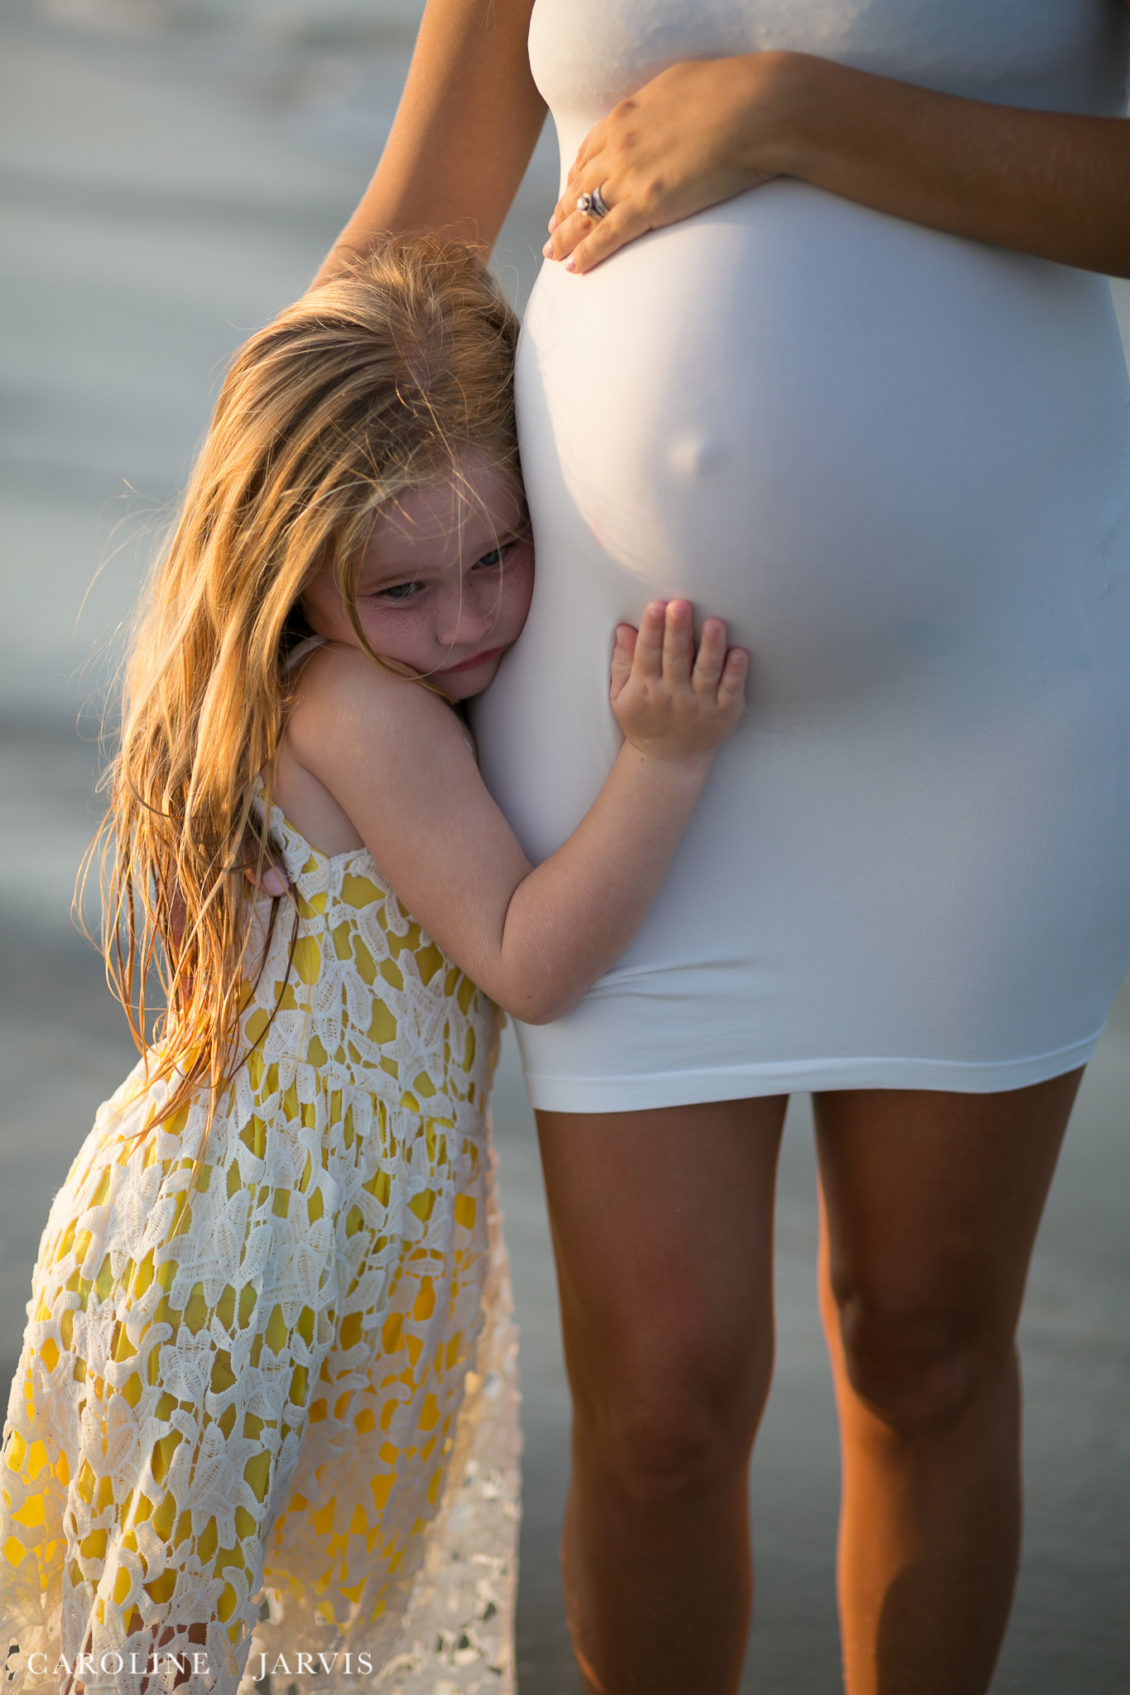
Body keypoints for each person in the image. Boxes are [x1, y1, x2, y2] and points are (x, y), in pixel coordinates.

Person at [314, 4, 1130, 1693]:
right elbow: (412, 229)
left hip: (992, 697)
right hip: (603, 708)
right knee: (659, 1404)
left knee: (923, 1344)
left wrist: (795, 112)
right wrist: (237, 605)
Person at [0, 235, 747, 1694]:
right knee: (175, 1652)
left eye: (498, 558)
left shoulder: (317, 679)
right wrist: (661, 764)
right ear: (290, 566)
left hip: (275, 1225)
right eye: (403, 588)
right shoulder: (366, 708)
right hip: (256, 1252)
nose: (464, 622)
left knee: (191, 1637)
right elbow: (527, 959)